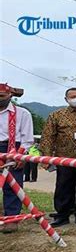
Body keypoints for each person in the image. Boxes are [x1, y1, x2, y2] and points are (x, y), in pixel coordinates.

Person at [39, 87, 76, 228]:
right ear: (66, 99)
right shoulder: (57, 115)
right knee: (63, 186)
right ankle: (62, 215)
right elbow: (48, 137)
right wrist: (46, 157)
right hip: (64, 158)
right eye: (72, 96)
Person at [0, 83, 34, 233]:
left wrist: (21, 155)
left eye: (1, 96)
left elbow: (27, 138)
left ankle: (12, 218)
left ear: (10, 96)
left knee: (13, 184)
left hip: (13, 147)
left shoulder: (22, 113)